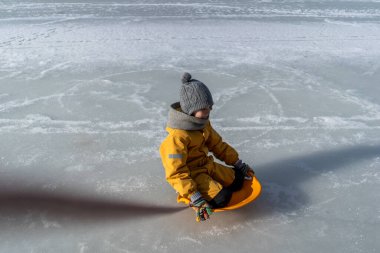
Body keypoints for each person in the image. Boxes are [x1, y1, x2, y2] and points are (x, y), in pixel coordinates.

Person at [159, 72, 254, 222]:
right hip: (193, 174)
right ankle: (199, 197)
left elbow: (217, 145)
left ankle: (218, 184)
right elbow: (176, 173)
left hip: (207, 166)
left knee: (238, 180)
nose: (208, 111)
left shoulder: (203, 124)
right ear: (191, 110)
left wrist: (237, 163)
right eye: (204, 108)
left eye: (209, 106)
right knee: (222, 199)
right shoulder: (176, 138)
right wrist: (194, 197)